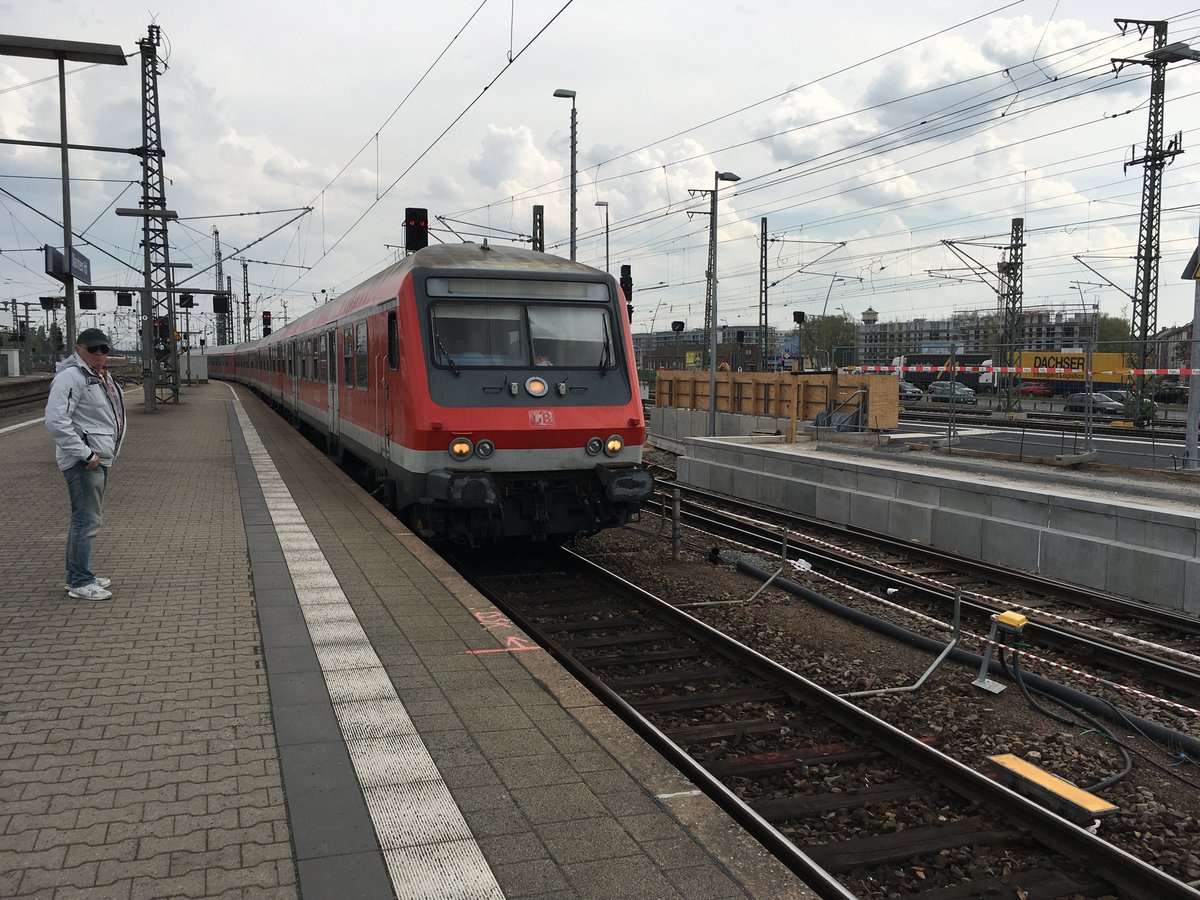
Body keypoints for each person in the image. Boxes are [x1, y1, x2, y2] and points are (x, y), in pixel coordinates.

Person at [44, 327, 127, 601]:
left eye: (104, 349)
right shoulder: (71, 377)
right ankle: (80, 580)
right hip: (85, 462)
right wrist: (86, 454)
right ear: (79, 349)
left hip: (98, 458)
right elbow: (56, 421)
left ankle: (80, 574)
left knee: (83, 520)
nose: (100, 354)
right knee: (86, 521)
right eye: (93, 349)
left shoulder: (100, 377)